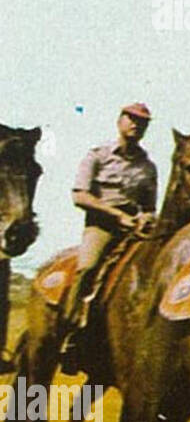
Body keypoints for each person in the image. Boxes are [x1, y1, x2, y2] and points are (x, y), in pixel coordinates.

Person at [60, 103, 158, 364]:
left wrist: (145, 218)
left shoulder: (148, 167)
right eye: (132, 119)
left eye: (143, 122)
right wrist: (117, 216)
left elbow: (150, 207)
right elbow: (79, 195)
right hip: (102, 225)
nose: (136, 125)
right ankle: (70, 333)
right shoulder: (98, 155)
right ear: (120, 121)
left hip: (134, 230)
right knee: (88, 267)